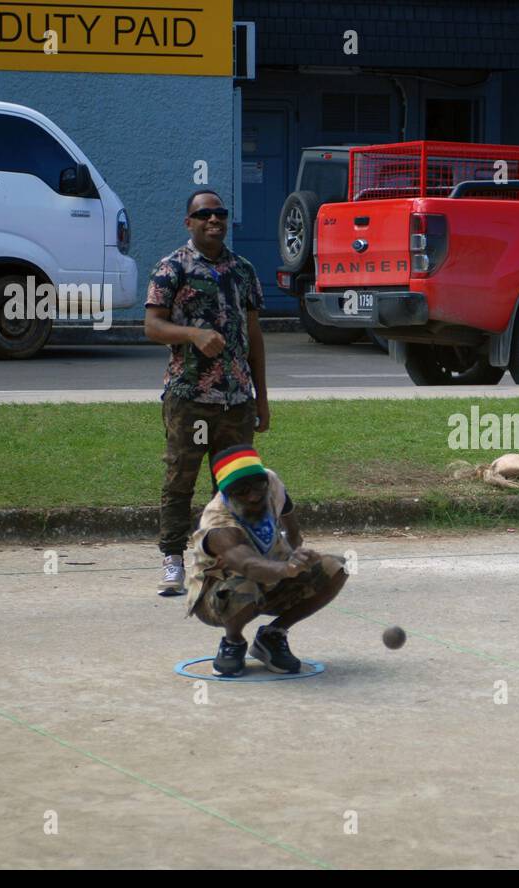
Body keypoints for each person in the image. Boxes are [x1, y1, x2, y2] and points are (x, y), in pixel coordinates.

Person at [144, 190, 271, 596]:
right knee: (180, 479)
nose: (213, 220)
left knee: (233, 485)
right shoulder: (172, 268)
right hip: (190, 397)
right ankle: (172, 560)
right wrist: (193, 334)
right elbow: (152, 326)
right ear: (189, 222)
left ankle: (224, 560)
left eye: (219, 213)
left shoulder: (243, 270)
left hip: (236, 399)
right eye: (204, 215)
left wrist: (262, 397)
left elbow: (254, 335)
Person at [186, 445, 348, 676]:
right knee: (244, 586)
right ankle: (233, 642)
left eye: (257, 487)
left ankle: (273, 636)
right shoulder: (218, 522)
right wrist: (287, 568)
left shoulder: (270, 481)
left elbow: (288, 512)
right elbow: (248, 565)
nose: (253, 496)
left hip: (275, 576)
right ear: (228, 494)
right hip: (219, 595)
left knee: (334, 568)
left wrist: (296, 550)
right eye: (242, 492)